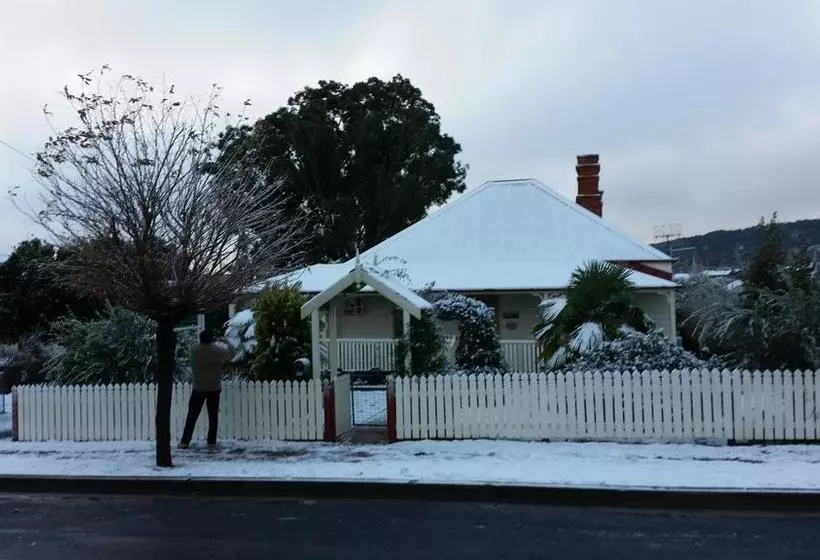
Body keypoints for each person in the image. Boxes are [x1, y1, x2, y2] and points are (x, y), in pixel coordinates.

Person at [178, 330, 235, 449]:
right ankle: (211, 441)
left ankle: (185, 441)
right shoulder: (217, 352)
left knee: (192, 415)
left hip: (198, 387)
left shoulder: (194, 350)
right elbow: (232, 353)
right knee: (213, 416)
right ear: (211, 339)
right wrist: (225, 341)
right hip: (214, 387)